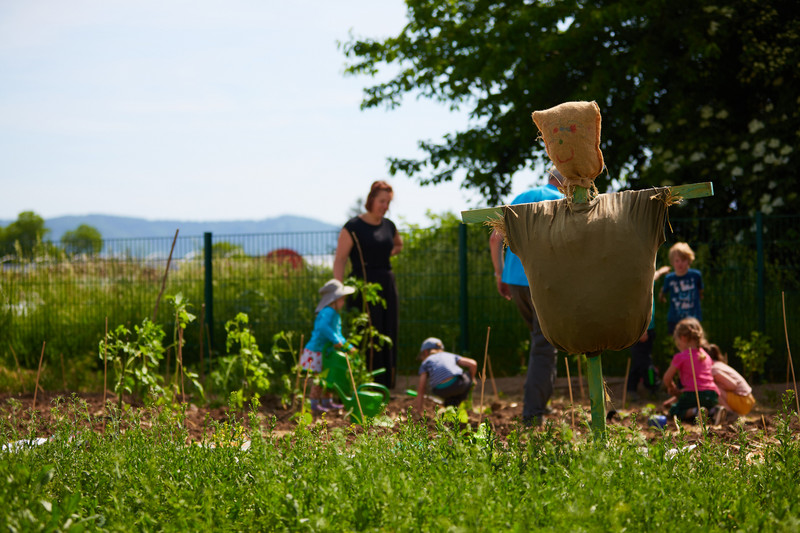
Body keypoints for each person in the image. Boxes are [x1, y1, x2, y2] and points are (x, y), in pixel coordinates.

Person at [489, 168, 564, 426]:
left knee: (543, 341)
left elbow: (494, 238)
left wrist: (499, 273)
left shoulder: (523, 196)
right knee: (544, 344)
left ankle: (541, 402)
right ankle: (532, 414)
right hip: (541, 282)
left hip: (515, 280)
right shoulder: (563, 201)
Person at [333, 180, 403, 389]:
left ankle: (386, 385)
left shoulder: (389, 226)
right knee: (365, 332)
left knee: (388, 331)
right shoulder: (353, 227)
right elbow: (340, 260)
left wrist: (382, 254)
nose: (385, 206)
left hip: (387, 285)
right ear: (371, 200)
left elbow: (398, 245)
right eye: (382, 201)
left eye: (388, 202)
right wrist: (338, 291)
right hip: (362, 285)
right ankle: (363, 383)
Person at [301, 279, 355, 413]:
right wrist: (336, 340)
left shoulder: (335, 314)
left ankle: (327, 402)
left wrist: (348, 346)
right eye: (342, 299)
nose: (343, 302)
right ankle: (313, 404)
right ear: (334, 300)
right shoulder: (328, 312)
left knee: (329, 377)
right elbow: (324, 328)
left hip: (326, 353)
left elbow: (338, 333)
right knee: (318, 378)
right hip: (316, 352)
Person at [626, 265, 671, 400]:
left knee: (639, 361)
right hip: (641, 331)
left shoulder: (646, 280)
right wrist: (643, 330)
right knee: (646, 363)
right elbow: (637, 309)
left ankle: (631, 390)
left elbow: (654, 276)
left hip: (648, 330)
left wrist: (661, 271)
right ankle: (653, 386)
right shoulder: (637, 288)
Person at [661, 317, 719, 421]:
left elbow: (666, 378)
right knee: (704, 405)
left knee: (675, 410)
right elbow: (702, 381)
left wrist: (671, 387)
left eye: (678, 343)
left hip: (694, 395)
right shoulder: (706, 355)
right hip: (712, 395)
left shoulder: (681, 356)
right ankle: (713, 411)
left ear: (683, 338)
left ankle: (696, 411)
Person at [414, 337, 477, 413]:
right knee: (466, 377)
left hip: (440, 390)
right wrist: (472, 379)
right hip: (459, 385)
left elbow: (421, 388)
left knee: (447, 392)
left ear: (425, 352)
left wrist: (419, 410)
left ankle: (451, 406)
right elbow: (473, 364)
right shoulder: (449, 355)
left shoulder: (425, 362)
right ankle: (465, 407)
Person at [659, 242, 704, 334]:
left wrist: (700, 296)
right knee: (677, 345)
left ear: (689, 260)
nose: (680, 264)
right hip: (675, 319)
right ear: (672, 262)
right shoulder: (669, 278)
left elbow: (700, 290)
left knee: (693, 341)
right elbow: (663, 291)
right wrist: (661, 297)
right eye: (677, 261)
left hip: (693, 318)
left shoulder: (696, 275)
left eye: (683, 260)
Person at [707, 343, 756, 419]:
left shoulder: (713, 369)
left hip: (743, 401)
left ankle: (729, 414)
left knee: (712, 387)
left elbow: (733, 385)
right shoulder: (719, 364)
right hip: (748, 399)